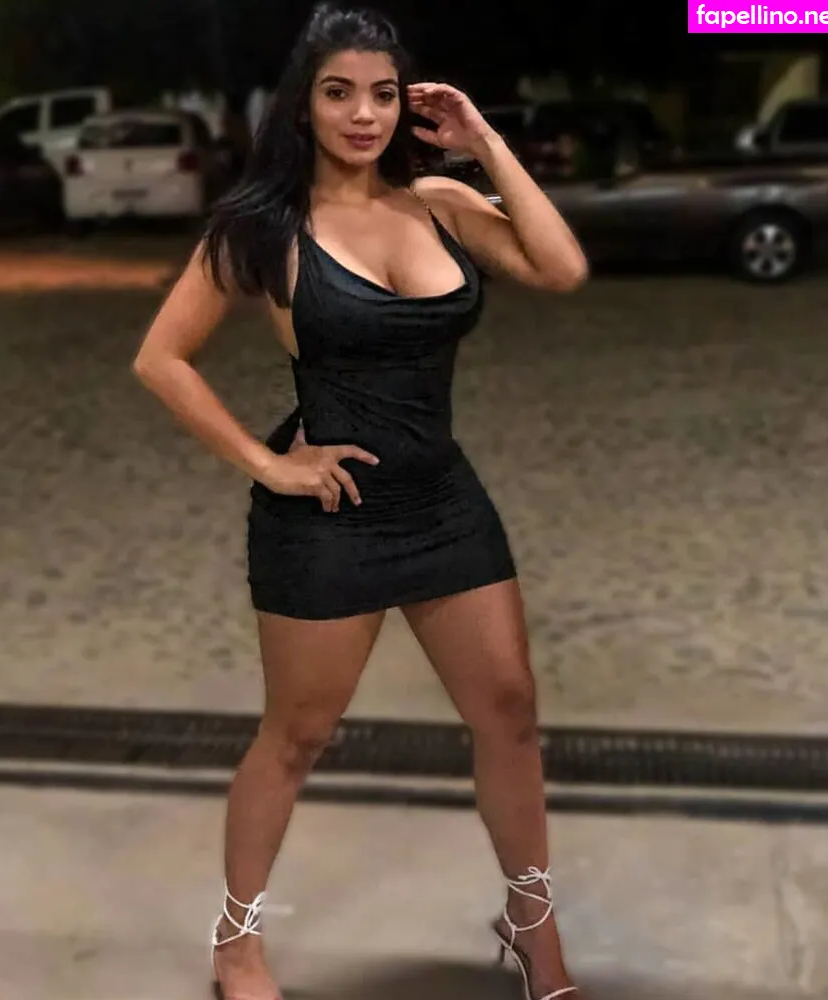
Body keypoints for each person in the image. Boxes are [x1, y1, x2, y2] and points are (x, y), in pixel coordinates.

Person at [132, 4, 588, 1000]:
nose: (364, 114)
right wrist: (269, 464)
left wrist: (483, 141)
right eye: (339, 93)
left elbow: (562, 267)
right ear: (304, 102)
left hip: (443, 500)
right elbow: (161, 358)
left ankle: (531, 922)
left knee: (510, 710)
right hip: (329, 516)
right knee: (297, 735)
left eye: (383, 94)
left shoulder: (438, 201)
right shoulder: (263, 226)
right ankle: (236, 942)